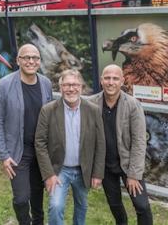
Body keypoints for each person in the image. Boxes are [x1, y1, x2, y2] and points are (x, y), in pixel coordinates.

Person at [0, 44, 53, 225]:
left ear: (39, 61)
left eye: (35, 58)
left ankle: (39, 222)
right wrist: (3, 155)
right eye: (26, 57)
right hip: (18, 153)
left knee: (37, 193)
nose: (31, 61)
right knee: (21, 198)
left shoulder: (46, 84)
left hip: (40, 151)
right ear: (18, 60)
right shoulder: (3, 86)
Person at [35, 69, 105, 225]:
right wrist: (48, 174)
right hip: (59, 170)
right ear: (60, 88)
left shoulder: (93, 110)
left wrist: (98, 173)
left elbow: (101, 144)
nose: (70, 89)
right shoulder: (48, 110)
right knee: (56, 205)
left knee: (82, 206)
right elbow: (39, 143)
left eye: (74, 84)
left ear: (81, 87)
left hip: (83, 169)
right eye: (66, 85)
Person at [89, 64, 153, 225]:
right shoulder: (91, 104)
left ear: (122, 81)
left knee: (142, 206)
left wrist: (133, 175)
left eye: (115, 78)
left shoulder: (133, 105)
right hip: (105, 166)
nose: (111, 82)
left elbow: (139, 142)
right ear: (101, 80)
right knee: (115, 205)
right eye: (107, 78)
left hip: (128, 164)